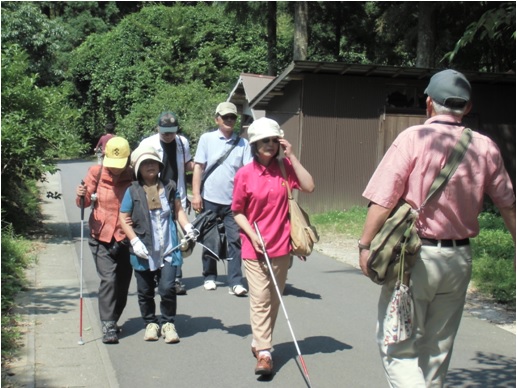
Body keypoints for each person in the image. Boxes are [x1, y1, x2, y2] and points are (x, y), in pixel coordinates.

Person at [358, 69, 516, 387]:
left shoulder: (413, 139)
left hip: (414, 259)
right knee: (437, 350)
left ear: (428, 103)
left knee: (397, 348)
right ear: (467, 108)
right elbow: (508, 205)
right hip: (459, 262)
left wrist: (365, 245)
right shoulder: (485, 147)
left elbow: (383, 199)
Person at [232, 117, 315, 375]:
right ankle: (266, 353)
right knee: (260, 298)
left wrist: (293, 157)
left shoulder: (285, 167)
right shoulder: (244, 174)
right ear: (254, 145)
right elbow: (237, 212)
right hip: (253, 246)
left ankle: (259, 342)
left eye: (273, 140)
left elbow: (309, 186)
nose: (269, 145)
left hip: (281, 246)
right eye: (263, 141)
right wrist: (252, 235)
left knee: (274, 299)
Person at [119, 145, 197, 343]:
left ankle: (168, 323)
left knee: (168, 287)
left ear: (159, 165)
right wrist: (134, 240)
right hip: (143, 249)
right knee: (145, 292)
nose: (150, 166)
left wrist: (188, 228)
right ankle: (150, 323)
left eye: (153, 162)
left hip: (168, 247)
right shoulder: (132, 190)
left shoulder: (169, 186)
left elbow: (178, 211)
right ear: (138, 169)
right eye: (145, 163)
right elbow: (123, 216)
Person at [75, 136, 134, 344]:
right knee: (108, 279)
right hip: (101, 235)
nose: (116, 170)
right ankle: (108, 324)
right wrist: (81, 195)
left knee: (123, 282)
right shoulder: (97, 173)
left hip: (127, 236)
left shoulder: (134, 176)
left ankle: (114, 317)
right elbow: (83, 203)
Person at [191, 102, 252, 296]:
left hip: (234, 202)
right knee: (210, 238)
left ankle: (235, 280)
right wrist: (196, 194)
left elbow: (248, 172)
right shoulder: (207, 139)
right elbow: (198, 167)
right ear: (216, 118)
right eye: (225, 117)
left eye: (232, 117)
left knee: (234, 240)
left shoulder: (243, 144)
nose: (229, 120)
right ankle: (209, 275)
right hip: (209, 197)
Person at [140, 111, 195, 295]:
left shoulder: (182, 142)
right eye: (165, 132)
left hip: (176, 193)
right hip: (154, 194)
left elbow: (187, 165)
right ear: (158, 128)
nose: (168, 135)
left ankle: (175, 278)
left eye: (171, 131)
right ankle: (157, 274)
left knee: (177, 237)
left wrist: (202, 165)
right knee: (157, 234)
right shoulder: (148, 143)